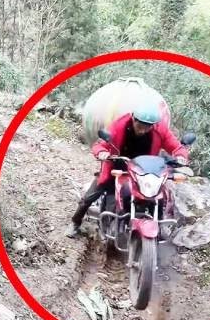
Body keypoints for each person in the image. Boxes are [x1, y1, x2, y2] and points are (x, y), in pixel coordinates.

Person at [66, 102, 190, 238]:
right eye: (140, 126)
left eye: (147, 127)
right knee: (92, 195)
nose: (143, 130)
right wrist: (102, 152)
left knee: (159, 197)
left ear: (153, 125)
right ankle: (75, 222)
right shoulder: (119, 125)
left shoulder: (159, 129)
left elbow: (176, 146)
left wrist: (181, 156)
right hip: (118, 167)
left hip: (145, 171)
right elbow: (100, 145)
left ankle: (158, 227)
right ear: (133, 118)